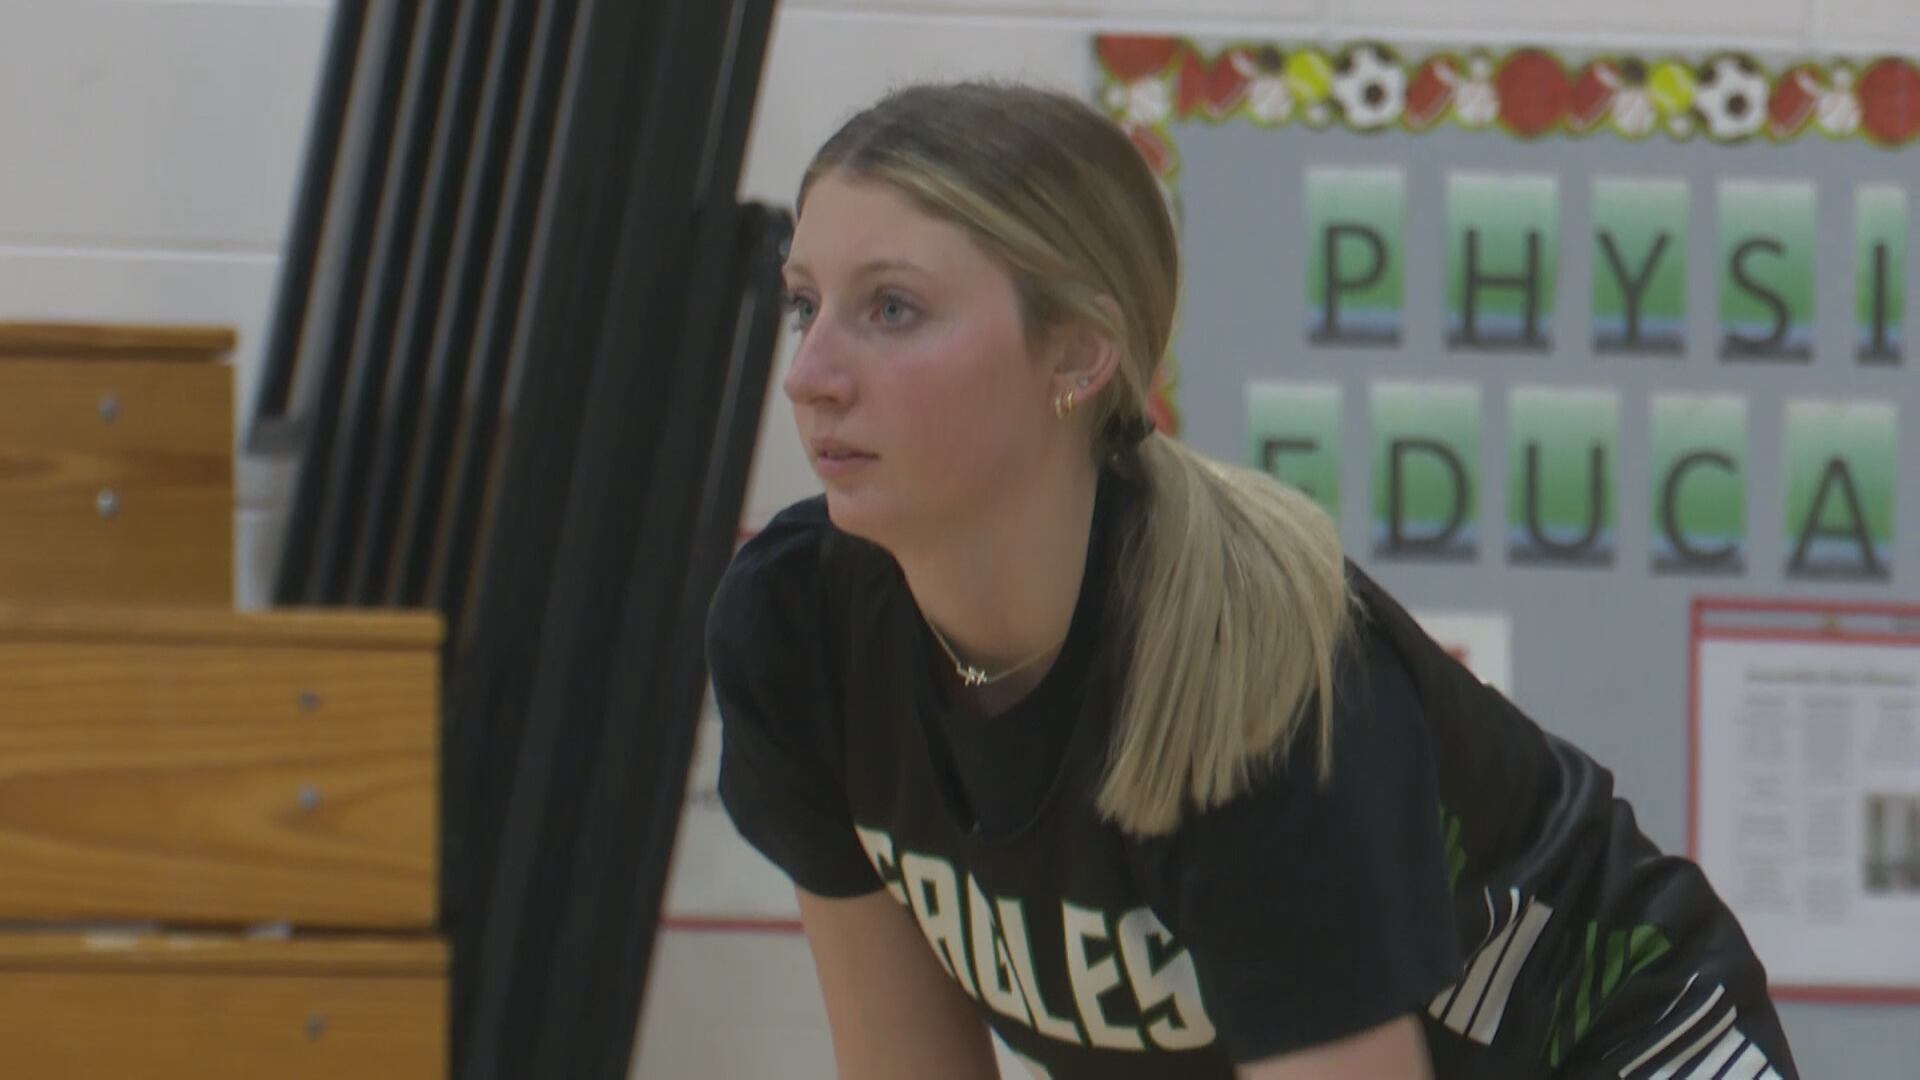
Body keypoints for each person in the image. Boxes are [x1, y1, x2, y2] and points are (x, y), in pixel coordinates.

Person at [705, 80, 1798, 1079]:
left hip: (1625, 1042)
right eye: (805, 303)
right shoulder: (794, 629)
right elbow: (903, 1063)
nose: (809, 375)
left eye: (891, 309)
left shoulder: (1248, 671)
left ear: (1078, 355)